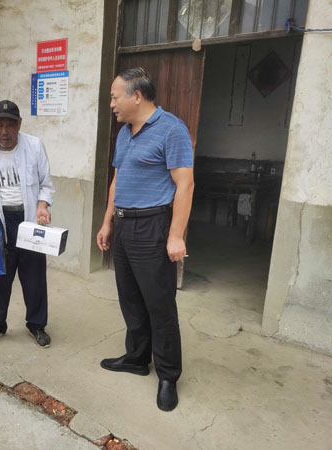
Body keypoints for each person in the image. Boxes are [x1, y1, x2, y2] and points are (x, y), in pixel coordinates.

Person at [96, 68, 194, 411]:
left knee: (159, 304)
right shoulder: (125, 133)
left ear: (136, 96)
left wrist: (175, 235)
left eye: (114, 97)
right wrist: (107, 221)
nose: (112, 104)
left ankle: (168, 376)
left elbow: (185, 184)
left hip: (153, 226)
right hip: (124, 226)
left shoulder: (172, 129)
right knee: (131, 299)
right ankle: (137, 358)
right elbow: (117, 179)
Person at [0, 100, 55, 349]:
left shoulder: (34, 146)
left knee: (34, 277)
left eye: (10, 125)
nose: (5, 131)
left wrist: (43, 206)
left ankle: (36, 324)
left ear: (19, 124)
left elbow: (46, 184)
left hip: (28, 220)